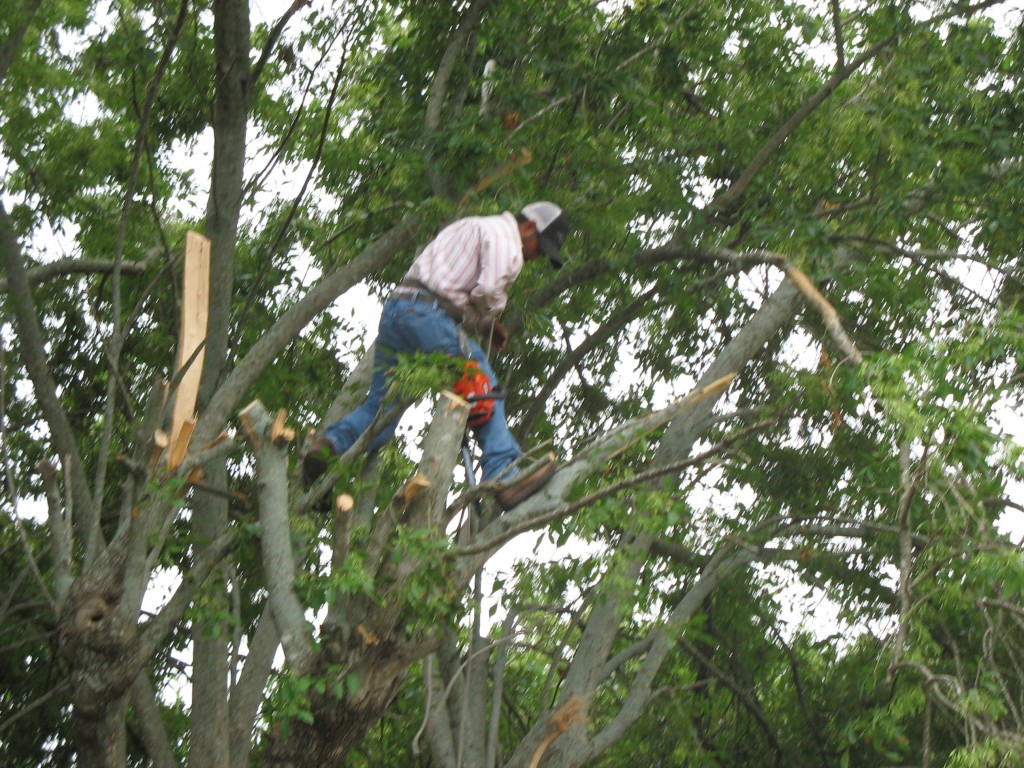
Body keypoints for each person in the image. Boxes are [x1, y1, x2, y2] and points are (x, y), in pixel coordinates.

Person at [303, 201, 570, 510]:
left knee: (381, 410)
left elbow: (453, 284)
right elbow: (486, 292)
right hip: (430, 316)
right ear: (528, 227)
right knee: (484, 387)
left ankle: (326, 448)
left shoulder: (473, 224)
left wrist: (484, 326)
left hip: (400, 309)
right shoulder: (505, 239)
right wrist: (491, 317)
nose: (535, 257)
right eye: (539, 247)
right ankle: (504, 477)